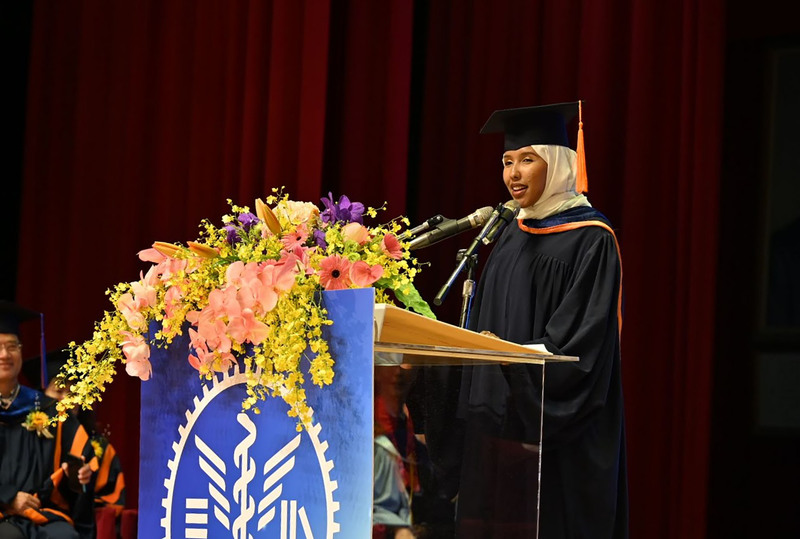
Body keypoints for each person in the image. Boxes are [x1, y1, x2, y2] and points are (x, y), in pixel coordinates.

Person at [448, 102, 628, 538]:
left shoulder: (590, 239)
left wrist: (513, 365)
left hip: (558, 441)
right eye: (507, 161)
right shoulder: (510, 232)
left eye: (527, 160)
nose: (514, 173)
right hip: (497, 432)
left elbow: (580, 349)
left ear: (559, 163)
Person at [0, 301, 97, 539]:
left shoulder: (48, 409)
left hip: (44, 514)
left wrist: (79, 475)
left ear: (21, 351)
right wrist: (9, 498)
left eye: (12, 346)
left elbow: (79, 464)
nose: (5, 354)